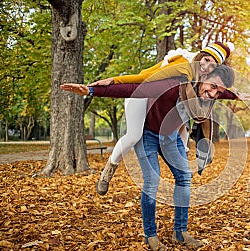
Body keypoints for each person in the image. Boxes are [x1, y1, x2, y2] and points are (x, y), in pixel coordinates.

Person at [61, 64, 236, 251]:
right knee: (152, 180)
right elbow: (134, 88)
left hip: (170, 137)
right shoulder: (173, 85)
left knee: (185, 176)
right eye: (213, 87)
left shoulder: (204, 95)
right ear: (204, 76)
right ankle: (150, 235)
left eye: (219, 92)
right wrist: (92, 90)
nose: (213, 94)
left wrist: (236, 95)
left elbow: (224, 93)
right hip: (148, 134)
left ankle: (180, 232)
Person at [89, 42, 234, 196]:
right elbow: (144, 78)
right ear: (200, 55)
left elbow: (218, 89)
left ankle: (183, 165)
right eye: (206, 60)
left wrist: (236, 94)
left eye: (212, 66)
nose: (206, 66)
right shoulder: (183, 65)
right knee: (134, 135)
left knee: (182, 127)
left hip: (158, 100)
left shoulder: (199, 78)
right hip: (141, 91)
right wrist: (113, 81)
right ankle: (110, 168)